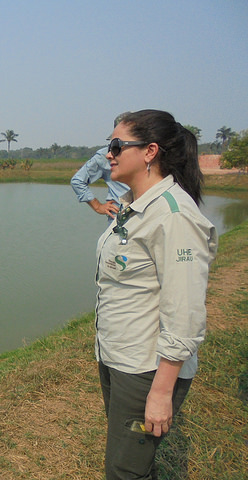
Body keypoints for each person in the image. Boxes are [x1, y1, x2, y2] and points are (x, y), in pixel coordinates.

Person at [94, 110, 217, 479]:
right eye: (108, 145)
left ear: (150, 152)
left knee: (124, 470)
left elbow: (185, 312)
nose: (109, 154)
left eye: (117, 145)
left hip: (146, 369)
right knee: (128, 461)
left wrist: (161, 393)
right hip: (120, 356)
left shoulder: (174, 216)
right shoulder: (135, 209)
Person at [71, 114, 130, 219]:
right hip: (119, 217)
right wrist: (98, 206)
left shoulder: (148, 153)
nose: (111, 155)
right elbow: (78, 180)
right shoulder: (104, 155)